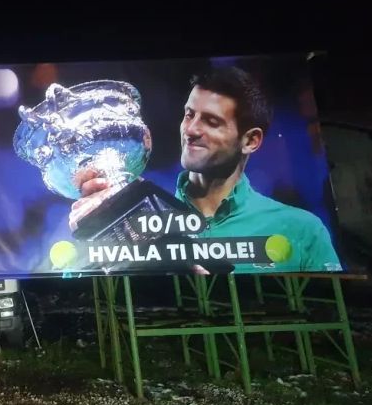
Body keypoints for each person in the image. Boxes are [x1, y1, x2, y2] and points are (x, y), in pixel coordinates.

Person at [73, 66, 341, 273]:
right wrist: (92, 234)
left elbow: (332, 312)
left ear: (250, 140)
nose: (190, 130)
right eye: (189, 114)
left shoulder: (302, 230)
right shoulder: (138, 221)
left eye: (211, 121)